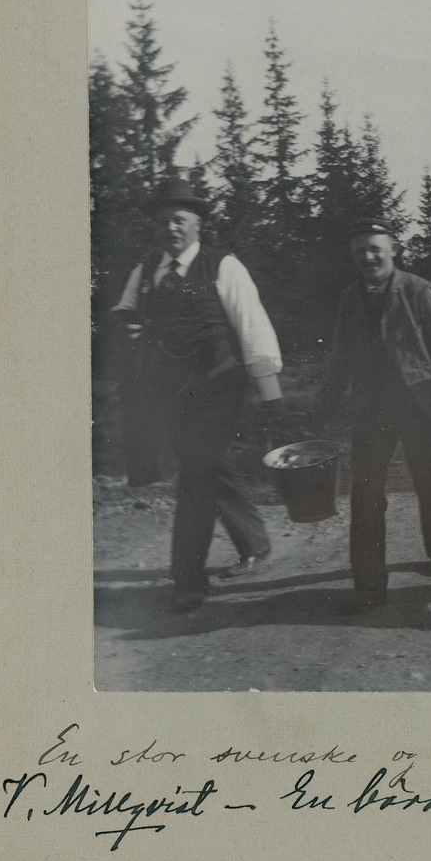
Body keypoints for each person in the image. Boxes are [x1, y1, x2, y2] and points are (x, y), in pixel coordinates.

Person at [112, 178, 284, 612]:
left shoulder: (223, 266)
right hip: (169, 392)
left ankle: (188, 579)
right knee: (209, 466)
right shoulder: (145, 272)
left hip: (218, 387)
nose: (170, 228)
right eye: (163, 222)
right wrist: (125, 327)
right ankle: (255, 542)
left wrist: (272, 398)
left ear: (198, 224)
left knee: (195, 475)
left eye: (179, 220)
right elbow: (122, 313)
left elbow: (254, 330)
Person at [314, 218, 431, 612]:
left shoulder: (419, 291)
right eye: (360, 252)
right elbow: (340, 356)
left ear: (393, 249)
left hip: (420, 406)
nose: (368, 257)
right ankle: (369, 585)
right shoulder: (350, 298)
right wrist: (321, 407)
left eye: (375, 249)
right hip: (371, 409)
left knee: (430, 482)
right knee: (366, 495)